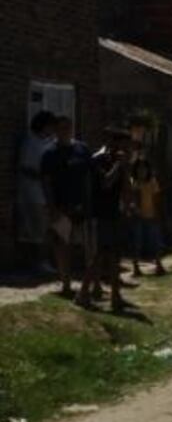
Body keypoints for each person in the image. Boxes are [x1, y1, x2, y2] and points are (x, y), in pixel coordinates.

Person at [78, 127, 133, 311]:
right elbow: (106, 184)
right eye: (124, 146)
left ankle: (115, 296)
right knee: (98, 255)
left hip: (113, 215)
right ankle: (83, 292)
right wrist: (119, 166)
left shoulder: (120, 163)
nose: (126, 151)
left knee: (114, 255)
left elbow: (126, 190)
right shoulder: (98, 160)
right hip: (97, 214)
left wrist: (124, 170)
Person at [41, 116, 92, 297]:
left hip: (81, 205)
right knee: (62, 246)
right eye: (61, 128)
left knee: (87, 247)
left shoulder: (81, 149)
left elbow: (89, 176)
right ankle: (66, 284)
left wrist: (89, 202)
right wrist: (52, 207)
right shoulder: (50, 153)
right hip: (61, 206)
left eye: (68, 127)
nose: (65, 131)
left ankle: (90, 284)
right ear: (56, 130)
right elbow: (46, 182)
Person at [16, 111, 57, 271]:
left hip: (47, 193)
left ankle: (45, 260)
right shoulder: (31, 143)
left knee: (47, 228)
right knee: (37, 229)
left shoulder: (49, 142)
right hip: (33, 193)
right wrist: (43, 176)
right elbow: (25, 168)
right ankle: (39, 261)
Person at [130, 159, 166, 277]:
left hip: (151, 215)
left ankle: (158, 265)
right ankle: (136, 267)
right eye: (139, 169)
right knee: (137, 242)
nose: (142, 171)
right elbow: (134, 199)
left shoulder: (152, 181)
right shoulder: (134, 182)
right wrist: (135, 211)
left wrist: (157, 214)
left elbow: (156, 198)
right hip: (138, 216)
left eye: (144, 169)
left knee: (155, 241)